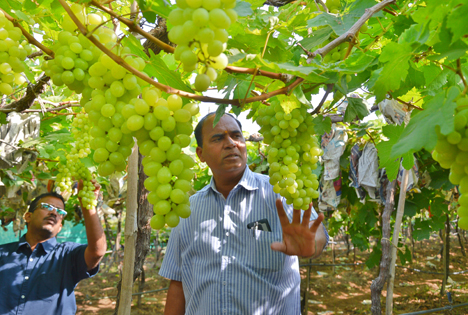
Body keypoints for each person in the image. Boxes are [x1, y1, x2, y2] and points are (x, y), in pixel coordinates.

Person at [160, 112, 329, 315]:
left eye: (236, 135)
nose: (231, 143)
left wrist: (312, 245)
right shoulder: (187, 210)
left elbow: (316, 233)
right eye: (218, 138)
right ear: (200, 154)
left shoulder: (281, 192)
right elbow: (178, 283)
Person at [0, 180, 107, 315]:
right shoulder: (2, 253)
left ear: (60, 228)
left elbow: (97, 251)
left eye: (60, 212)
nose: (54, 213)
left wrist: (88, 206)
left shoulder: (68, 255)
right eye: (47, 207)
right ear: (28, 216)